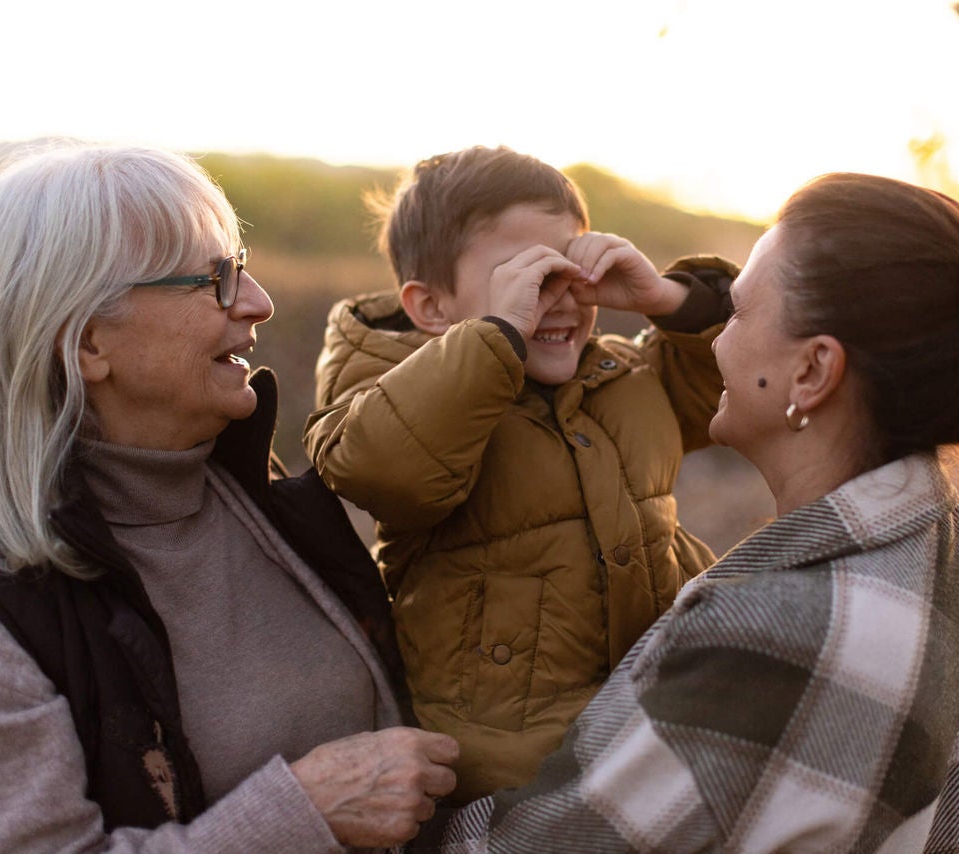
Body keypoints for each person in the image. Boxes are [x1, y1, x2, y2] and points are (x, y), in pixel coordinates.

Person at [416, 172, 959, 852]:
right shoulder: (937, 540)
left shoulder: (775, 632)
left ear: (812, 372)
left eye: (735, 313)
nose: (717, 343)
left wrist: (374, 802)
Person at [0, 143, 458, 851]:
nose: (258, 302)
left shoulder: (274, 507)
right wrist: (303, 813)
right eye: (216, 279)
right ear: (86, 342)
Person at [302, 146, 736, 802]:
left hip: (659, 732)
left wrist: (665, 297)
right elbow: (385, 468)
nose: (558, 301)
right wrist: (497, 336)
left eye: (571, 270)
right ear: (431, 306)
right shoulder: (391, 388)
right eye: (526, 276)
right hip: (512, 777)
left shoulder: (621, 375)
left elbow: (737, 380)